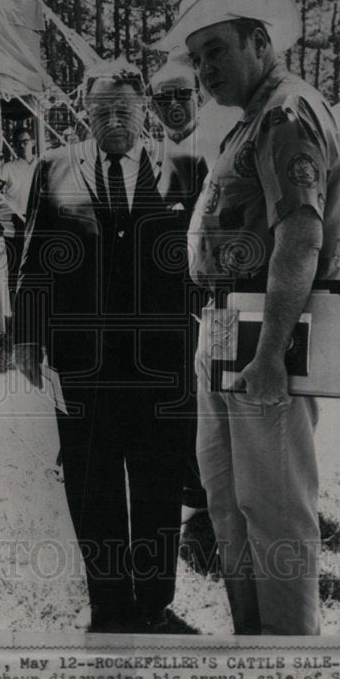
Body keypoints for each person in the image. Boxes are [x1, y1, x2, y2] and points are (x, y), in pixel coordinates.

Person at [158, 0, 340, 636]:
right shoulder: (253, 117)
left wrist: (270, 353)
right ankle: (255, 647)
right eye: (198, 58)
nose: (206, 70)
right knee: (228, 501)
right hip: (224, 324)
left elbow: (301, 237)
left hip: (266, 333)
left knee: (275, 507)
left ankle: (288, 664)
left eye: (217, 51)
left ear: (261, 44)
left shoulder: (287, 114)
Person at [13, 60, 200, 635]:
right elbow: (33, 260)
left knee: (158, 482)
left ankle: (154, 600)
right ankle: (110, 605)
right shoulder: (52, 168)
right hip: (82, 364)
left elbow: (206, 266)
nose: (113, 119)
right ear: (84, 113)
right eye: (101, 110)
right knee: (91, 483)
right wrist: (26, 338)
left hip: (162, 364)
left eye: (124, 108)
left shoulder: (188, 169)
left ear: (144, 109)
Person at [148, 58, 212, 554]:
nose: (173, 105)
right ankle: (192, 493)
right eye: (162, 98)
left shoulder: (211, 155)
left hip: (203, 305)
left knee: (202, 402)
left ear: (199, 97)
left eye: (181, 95)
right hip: (160, 308)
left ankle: (209, 499)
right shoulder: (152, 157)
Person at [0, 127, 38, 293]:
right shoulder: (6, 169)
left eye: (25, 141)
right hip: (13, 223)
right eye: (18, 143)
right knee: (15, 267)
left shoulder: (42, 165)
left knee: (36, 265)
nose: (22, 145)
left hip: (36, 220)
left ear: (32, 142)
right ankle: (15, 311)